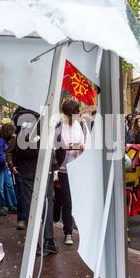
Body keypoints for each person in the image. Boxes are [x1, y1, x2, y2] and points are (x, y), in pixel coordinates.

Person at [13, 106, 58, 255]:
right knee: (46, 204)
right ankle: (48, 240)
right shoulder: (42, 116)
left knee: (30, 205)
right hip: (43, 166)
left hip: (27, 168)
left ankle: (35, 243)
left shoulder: (20, 119)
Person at [55, 99, 85, 245]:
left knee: (78, 201)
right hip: (64, 170)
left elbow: (85, 144)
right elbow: (62, 145)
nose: (78, 114)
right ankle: (68, 232)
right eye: (75, 112)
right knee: (67, 202)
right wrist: (77, 145)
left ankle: (81, 229)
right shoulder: (59, 126)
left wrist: (80, 146)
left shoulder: (80, 125)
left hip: (79, 168)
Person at [0, 123, 18, 215]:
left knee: (9, 185)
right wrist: (5, 162)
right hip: (0, 166)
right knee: (0, 187)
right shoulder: (0, 141)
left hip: (4, 166)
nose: (13, 134)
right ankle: (0, 206)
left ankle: (11, 205)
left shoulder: (5, 140)